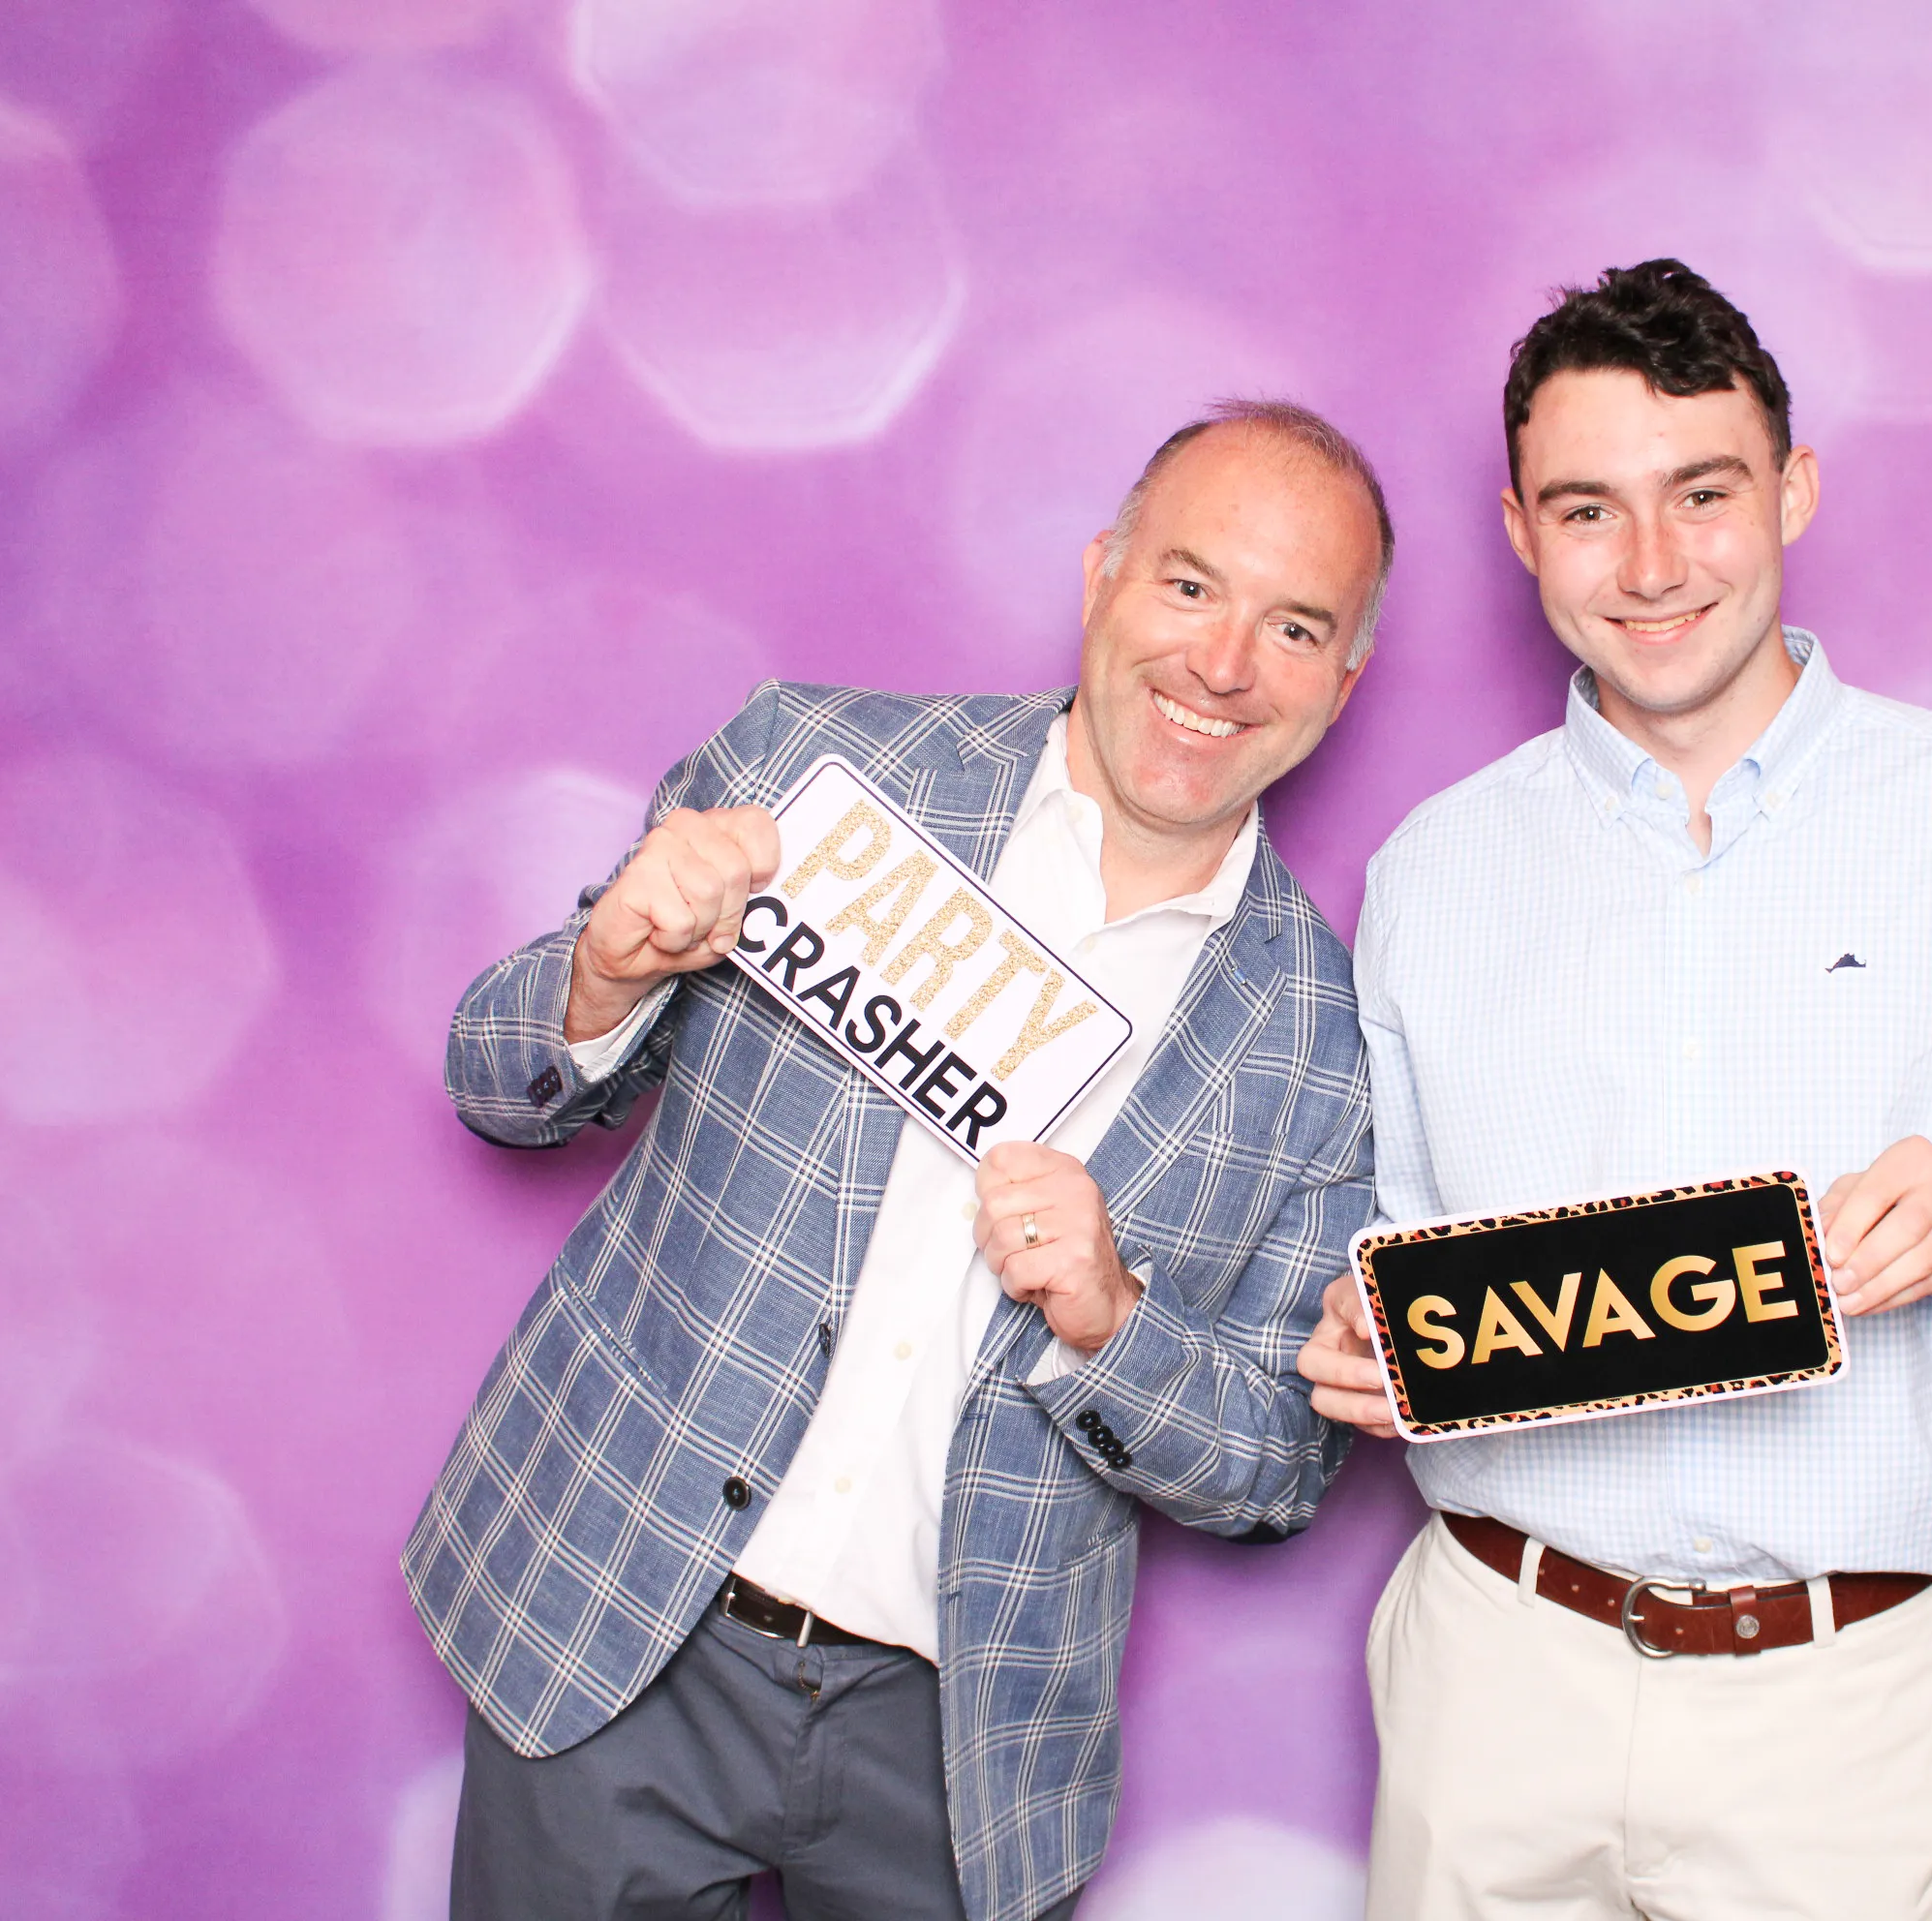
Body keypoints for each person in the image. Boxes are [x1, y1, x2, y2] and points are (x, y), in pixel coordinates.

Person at [1298, 260, 1932, 1919]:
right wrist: (1363, 1338)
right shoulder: (1431, 871)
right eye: (1588, 509)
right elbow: (1396, 1265)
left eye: (1704, 495)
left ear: (1792, 493)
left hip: (1843, 1707)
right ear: (1520, 532)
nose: (1651, 567)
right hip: (1490, 1676)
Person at [408, 399, 1387, 1921]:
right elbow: (499, 1086)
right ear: (1105, 575)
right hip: (616, 1624)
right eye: (1189, 586)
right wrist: (605, 974)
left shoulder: (1320, 1036)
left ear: (1346, 677)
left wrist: (1112, 1325)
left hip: (953, 1754)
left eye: (1296, 624)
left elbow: (1275, 1467)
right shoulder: (822, 776)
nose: (1223, 663)